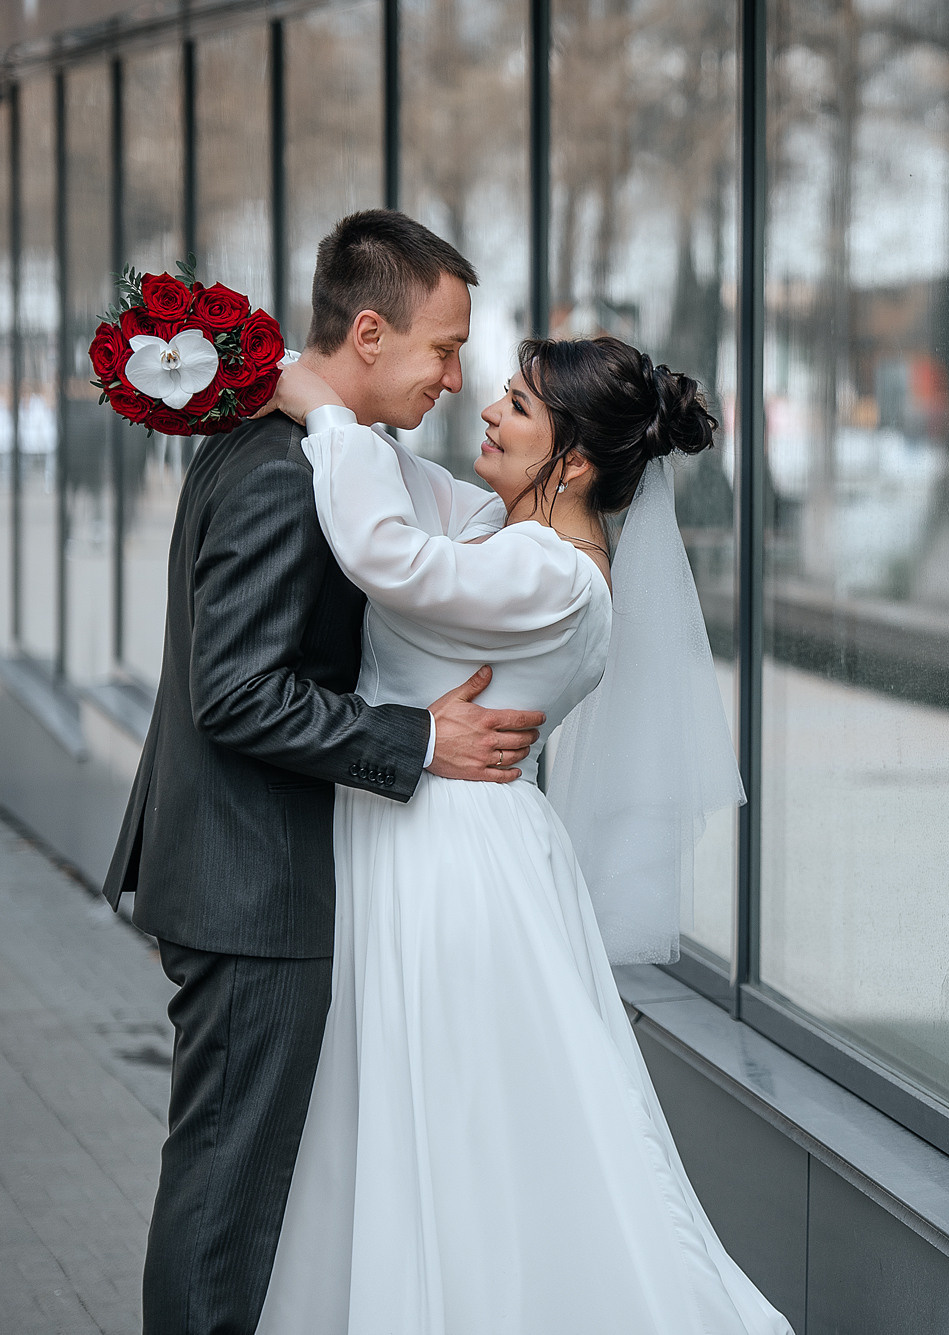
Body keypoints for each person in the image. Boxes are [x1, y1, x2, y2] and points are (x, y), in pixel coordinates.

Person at [244, 329, 787, 1332]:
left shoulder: (557, 576)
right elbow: (403, 483)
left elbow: (383, 553)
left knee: (453, 1122)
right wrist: (315, 383)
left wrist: (323, 409)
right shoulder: (501, 524)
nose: (487, 412)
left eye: (518, 408)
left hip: (449, 864)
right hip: (423, 838)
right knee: (401, 1117)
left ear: (574, 460)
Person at [104, 210, 544, 1335]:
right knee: (223, 1198)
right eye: (443, 348)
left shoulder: (296, 448)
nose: (456, 376)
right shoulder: (288, 472)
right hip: (253, 890)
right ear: (366, 332)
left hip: (240, 872)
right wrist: (420, 740)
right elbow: (237, 692)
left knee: (233, 1187)